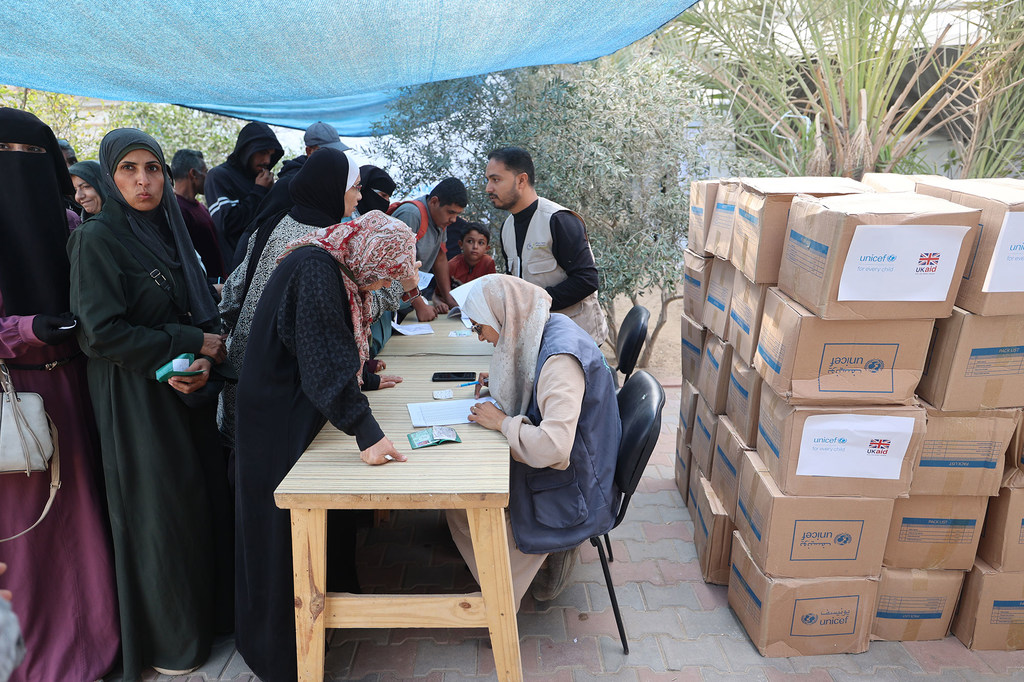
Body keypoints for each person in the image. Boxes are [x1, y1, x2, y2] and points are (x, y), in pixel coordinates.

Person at [67, 128, 234, 680]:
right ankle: (172, 642)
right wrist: (188, 345)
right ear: (109, 178)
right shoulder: (98, 238)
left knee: (197, 503)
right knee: (159, 514)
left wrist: (204, 359)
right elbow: (101, 334)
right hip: (132, 395)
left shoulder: (169, 230)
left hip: (184, 388)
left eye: (154, 168)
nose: (144, 181)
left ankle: (205, 622)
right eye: (128, 170)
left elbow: (199, 317)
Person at [233, 211, 417, 682]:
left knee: (304, 538)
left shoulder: (327, 262)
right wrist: (369, 434)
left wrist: (367, 379)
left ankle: (325, 623)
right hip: (276, 422)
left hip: (288, 410)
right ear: (371, 254)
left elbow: (322, 346)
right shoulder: (317, 271)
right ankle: (283, 658)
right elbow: (322, 365)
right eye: (383, 272)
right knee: (282, 539)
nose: (379, 285)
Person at [0, 108, 120, 682]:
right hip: (14, 402)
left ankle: (100, 639)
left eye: (28, 156)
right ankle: (30, 660)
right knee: (32, 537)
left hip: (78, 387)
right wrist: (26, 328)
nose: (15, 169)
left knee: (89, 518)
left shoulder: (72, 226)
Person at [446, 275, 621, 608]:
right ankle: (511, 574)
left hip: (578, 483)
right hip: (578, 463)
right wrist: (503, 375)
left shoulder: (560, 361)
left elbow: (554, 447)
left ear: (505, 316)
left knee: (464, 500)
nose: (481, 338)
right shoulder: (544, 325)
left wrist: (502, 423)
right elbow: (531, 375)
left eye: (480, 328)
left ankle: (502, 598)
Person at [219, 148, 405, 443]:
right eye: (355, 187)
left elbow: (231, 298)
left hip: (240, 379)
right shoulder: (326, 246)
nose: (359, 197)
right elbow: (349, 312)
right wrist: (400, 284)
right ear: (331, 186)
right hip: (285, 390)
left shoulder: (272, 223)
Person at [485, 147, 608, 344]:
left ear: (521, 180)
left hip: (577, 343)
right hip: (537, 340)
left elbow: (587, 280)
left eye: (496, 179)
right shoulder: (507, 228)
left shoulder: (559, 221)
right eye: (488, 180)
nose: (488, 188)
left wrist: (534, 303)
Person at [225, 121, 352, 271]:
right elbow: (258, 228)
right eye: (328, 151)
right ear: (309, 151)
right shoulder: (291, 184)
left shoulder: (323, 184)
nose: (334, 157)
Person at [204, 121, 283, 261]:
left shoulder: (259, 179)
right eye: (263, 152)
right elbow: (226, 225)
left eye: (271, 155)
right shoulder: (219, 176)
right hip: (234, 268)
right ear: (247, 150)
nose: (267, 160)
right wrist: (259, 191)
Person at [391, 177, 467, 321]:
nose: (454, 219)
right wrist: (420, 306)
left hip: (410, 300)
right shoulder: (411, 215)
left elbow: (440, 257)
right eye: (451, 212)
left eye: (457, 214)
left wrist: (449, 299)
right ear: (434, 202)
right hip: (391, 303)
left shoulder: (440, 220)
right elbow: (399, 265)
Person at [171, 149, 226, 281]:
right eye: (205, 172)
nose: (207, 177)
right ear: (193, 174)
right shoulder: (177, 211)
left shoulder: (200, 207)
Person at [448, 222, 496, 286]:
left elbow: (492, 289)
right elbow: (438, 294)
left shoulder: (488, 263)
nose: (475, 246)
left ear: (486, 249)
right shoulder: (452, 266)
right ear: (461, 244)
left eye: (481, 243)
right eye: (470, 241)